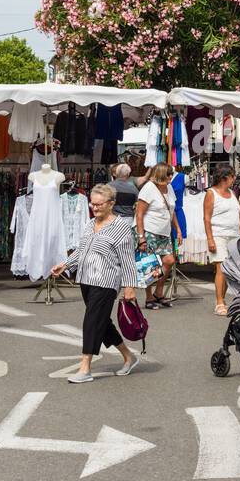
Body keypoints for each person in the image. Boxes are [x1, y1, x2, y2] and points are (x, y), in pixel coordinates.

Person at [50, 184, 142, 383]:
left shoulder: (121, 227)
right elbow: (81, 250)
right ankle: (129, 356)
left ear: (111, 204)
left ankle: (85, 368)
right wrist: (64, 264)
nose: (95, 207)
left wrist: (129, 286)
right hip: (85, 279)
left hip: (106, 281)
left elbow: (127, 259)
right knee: (101, 322)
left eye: (99, 204)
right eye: (92, 203)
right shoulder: (90, 223)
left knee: (91, 321)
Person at [135, 163, 181, 309]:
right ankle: (149, 297)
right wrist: (141, 236)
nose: (171, 177)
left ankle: (159, 292)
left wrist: (178, 230)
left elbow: (171, 210)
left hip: (164, 232)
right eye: (169, 174)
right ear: (162, 174)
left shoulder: (169, 187)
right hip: (149, 231)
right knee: (150, 265)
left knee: (169, 260)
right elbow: (139, 214)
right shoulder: (149, 188)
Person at [203, 167, 240, 316]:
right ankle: (219, 302)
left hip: (234, 235)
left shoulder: (232, 193)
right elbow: (206, 218)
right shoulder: (211, 193)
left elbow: (239, 216)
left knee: (228, 269)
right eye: (232, 177)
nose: (234, 179)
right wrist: (210, 239)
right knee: (221, 268)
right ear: (225, 177)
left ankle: (223, 299)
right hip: (219, 235)